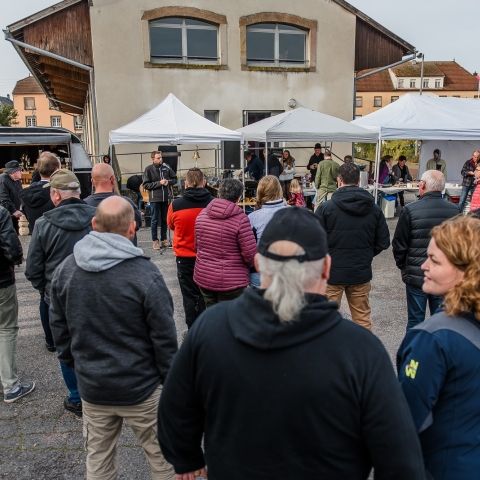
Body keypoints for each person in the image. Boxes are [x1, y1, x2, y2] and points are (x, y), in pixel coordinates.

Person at [158, 207, 425, 480]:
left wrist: (185, 457)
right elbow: (401, 459)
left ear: (259, 263)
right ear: (326, 268)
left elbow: (175, 407)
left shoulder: (210, 328)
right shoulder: (361, 350)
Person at [50, 196, 177, 480]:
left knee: (99, 462)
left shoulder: (66, 271)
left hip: (94, 387)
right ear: (133, 228)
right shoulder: (145, 274)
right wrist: (170, 382)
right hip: (142, 387)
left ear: (93, 224)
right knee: (163, 459)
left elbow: (59, 329)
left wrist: (75, 363)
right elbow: (165, 339)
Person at [397, 215, 480, 480]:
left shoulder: (434, 338)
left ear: (466, 271)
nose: (423, 265)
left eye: (434, 260)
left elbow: (404, 426)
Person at [25, 169, 96, 416]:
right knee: (97, 341)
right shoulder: (98, 217)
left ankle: (77, 397)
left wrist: (46, 291)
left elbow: (33, 269)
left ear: (56, 195)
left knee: (66, 347)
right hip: (95, 293)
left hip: (59, 296)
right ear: (77, 193)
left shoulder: (44, 224)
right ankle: (98, 392)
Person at [316, 163, 390, 330]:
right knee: (362, 320)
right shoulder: (374, 208)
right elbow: (383, 241)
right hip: (360, 271)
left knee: (326, 322)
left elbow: (314, 241)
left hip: (332, 273)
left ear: (339, 180)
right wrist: (367, 254)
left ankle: (329, 356)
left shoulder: (326, 208)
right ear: (359, 181)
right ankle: (364, 355)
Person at [392, 170, 459, 330]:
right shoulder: (455, 211)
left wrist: (404, 267)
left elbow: (399, 244)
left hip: (416, 274)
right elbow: (458, 246)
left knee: (415, 321)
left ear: (423, 185)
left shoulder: (410, 210)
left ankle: (414, 354)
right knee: (441, 321)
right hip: (443, 274)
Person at [194, 179, 256, 307]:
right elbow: (250, 255)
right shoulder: (241, 219)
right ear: (239, 197)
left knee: (213, 318)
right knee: (231, 321)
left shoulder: (201, 215)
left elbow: (197, 246)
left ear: (219, 193)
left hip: (205, 277)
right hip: (232, 282)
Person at [21, 152, 61, 352]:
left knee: (43, 296)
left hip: (37, 242)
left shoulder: (27, 193)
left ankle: (50, 340)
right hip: (55, 241)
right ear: (56, 169)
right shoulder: (55, 192)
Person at [167, 168, 213, 329]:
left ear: (185, 183)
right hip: (208, 256)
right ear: (204, 182)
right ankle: (207, 327)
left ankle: (193, 329)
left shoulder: (176, 205)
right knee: (207, 295)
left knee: (189, 295)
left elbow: (171, 225)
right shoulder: (213, 203)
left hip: (184, 257)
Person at [0, 205, 35, 403]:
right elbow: (11, 247)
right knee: (6, 329)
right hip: (1, 280)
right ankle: (10, 385)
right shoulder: (1, 213)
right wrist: (15, 259)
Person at [84, 163, 141, 245]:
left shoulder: (83, 205)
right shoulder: (127, 204)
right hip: (125, 255)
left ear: (92, 182)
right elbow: (137, 225)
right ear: (113, 179)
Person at [248, 175, 286, 287]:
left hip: (260, 274)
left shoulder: (252, 217)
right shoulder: (295, 214)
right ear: (279, 190)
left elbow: (249, 250)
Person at [142, 150, 176, 250]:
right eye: (158, 158)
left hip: (165, 198)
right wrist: (159, 183)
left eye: (161, 157)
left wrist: (168, 182)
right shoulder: (148, 169)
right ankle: (155, 241)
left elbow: (175, 179)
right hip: (154, 199)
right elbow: (146, 185)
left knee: (165, 220)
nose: (160, 159)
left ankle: (164, 239)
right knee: (154, 220)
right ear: (153, 159)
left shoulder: (166, 167)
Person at [21, 152, 60, 234]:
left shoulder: (26, 193)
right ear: (56, 169)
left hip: (35, 236)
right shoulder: (59, 193)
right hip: (55, 238)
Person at [0, 160, 23, 234]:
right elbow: (4, 199)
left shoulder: (17, 179)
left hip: (16, 212)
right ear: (13, 172)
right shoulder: (3, 179)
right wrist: (13, 210)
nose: (21, 172)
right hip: (7, 214)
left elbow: (20, 193)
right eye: (20, 170)